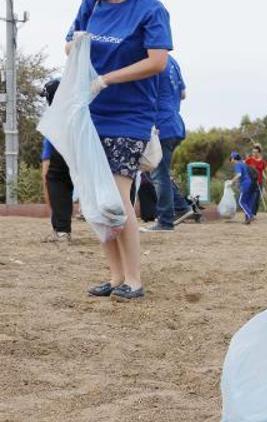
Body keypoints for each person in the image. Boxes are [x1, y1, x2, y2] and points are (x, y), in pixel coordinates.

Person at [67, 0, 173, 301]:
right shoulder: (92, 5)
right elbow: (69, 45)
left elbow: (157, 61)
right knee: (97, 200)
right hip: (91, 113)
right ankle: (115, 276)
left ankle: (134, 279)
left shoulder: (150, 9)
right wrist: (76, 46)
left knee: (115, 196)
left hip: (130, 116)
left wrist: (107, 79)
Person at [142, 54, 188, 232]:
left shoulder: (152, 61)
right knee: (160, 172)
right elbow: (183, 93)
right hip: (175, 123)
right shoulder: (172, 62)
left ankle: (165, 221)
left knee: (158, 174)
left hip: (161, 125)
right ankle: (182, 208)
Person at [39, 79, 75, 243]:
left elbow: (47, 169)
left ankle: (61, 230)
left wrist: (55, 216)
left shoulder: (54, 118)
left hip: (66, 148)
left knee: (56, 178)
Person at [229, 151, 259, 224]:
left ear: (233, 158)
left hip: (245, 184)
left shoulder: (238, 164)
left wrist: (231, 181)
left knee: (241, 201)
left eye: (231, 158)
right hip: (251, 183)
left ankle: (250, 215)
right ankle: (247, 219)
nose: (230, 160)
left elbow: (239, 174)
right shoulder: (243, 163)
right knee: (247, 201)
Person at [244, 144, 267, 214]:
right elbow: (243, 165)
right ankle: (249, 212)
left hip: (259, 182)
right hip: (250, 182)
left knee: (256, 199)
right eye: (253, 152)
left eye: (255, 152)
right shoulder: (250, 159)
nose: (253, 154)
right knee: (250, 197)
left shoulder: (263, 162)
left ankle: (253, 213)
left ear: (259, 153)